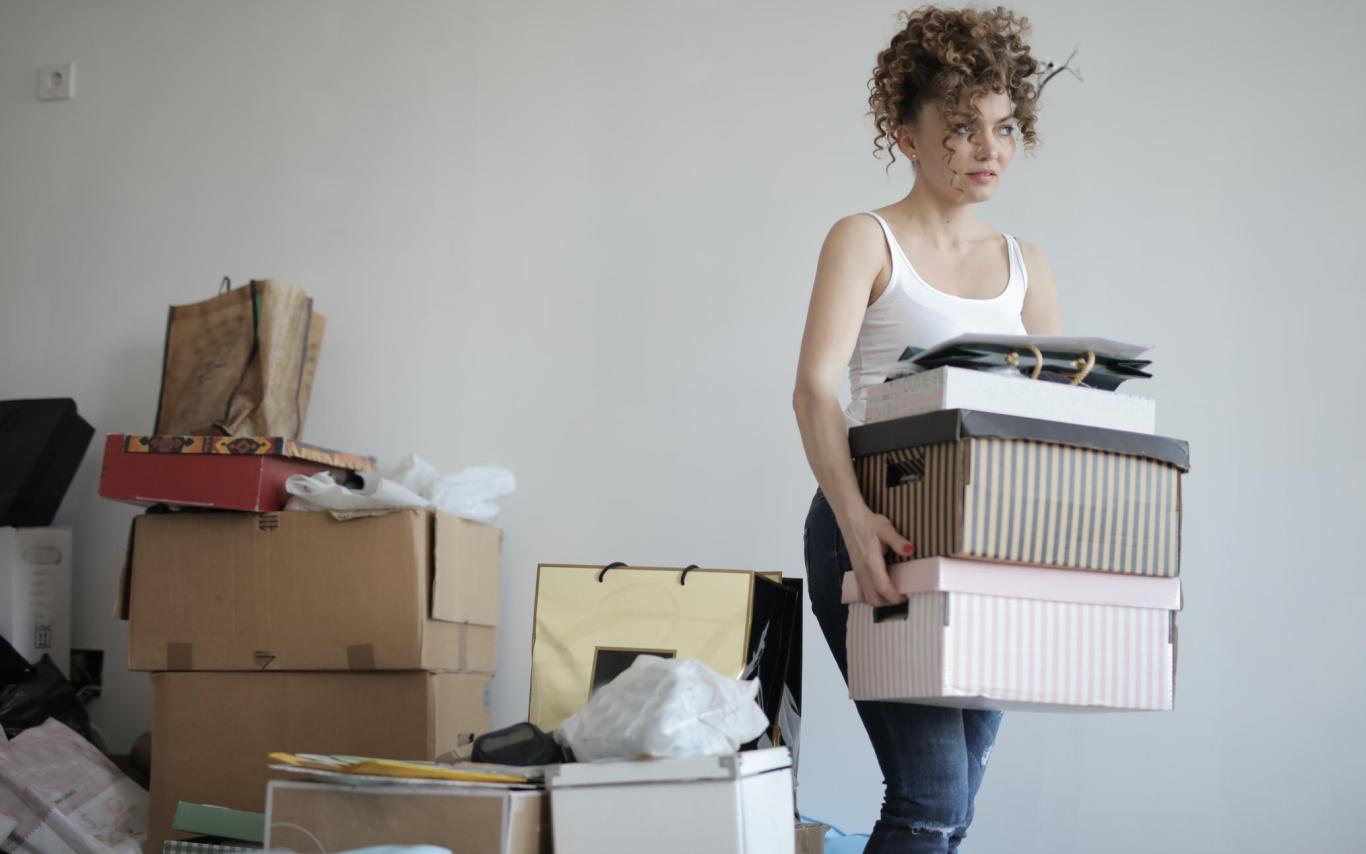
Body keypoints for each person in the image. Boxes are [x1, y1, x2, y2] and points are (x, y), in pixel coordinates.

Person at [792, 6, 1063, 851]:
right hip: (877, 527)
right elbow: (813, 391)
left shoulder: (1026, 265)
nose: (990, 149)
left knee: (957, 797)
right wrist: (851, 523)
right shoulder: (865, 239)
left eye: (1004, 127)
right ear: (906, 137)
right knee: (932, 794)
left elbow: (1053, 419)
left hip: (989, 548)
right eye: (961, 128)